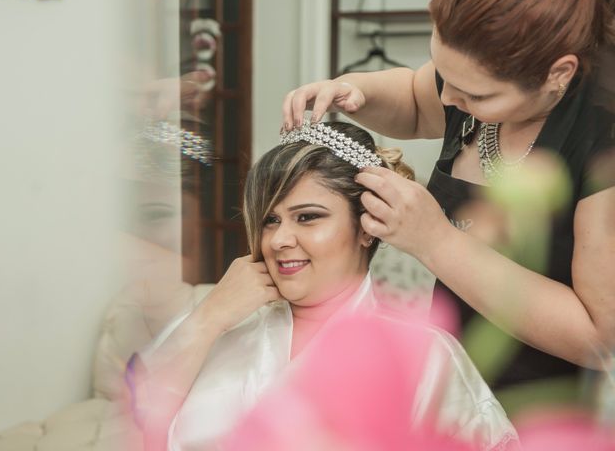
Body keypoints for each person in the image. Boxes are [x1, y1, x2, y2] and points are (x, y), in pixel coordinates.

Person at [282, 0, 615, 410]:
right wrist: (352, 89)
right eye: (443, 73)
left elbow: (599, 338)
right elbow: (417, 102)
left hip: (551, 408)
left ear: (559, 73)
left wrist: (435, 241)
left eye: (476, 94)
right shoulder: (460, 87)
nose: (450, 98)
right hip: (460, 384)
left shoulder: (602, 135)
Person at [126, 121, 518, 450]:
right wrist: (208, 317)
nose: (279, 240)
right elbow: (142, 426)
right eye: (270, 220)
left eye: (308, 217)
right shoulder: (220, 331)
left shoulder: (423, 354)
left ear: (366, 227)